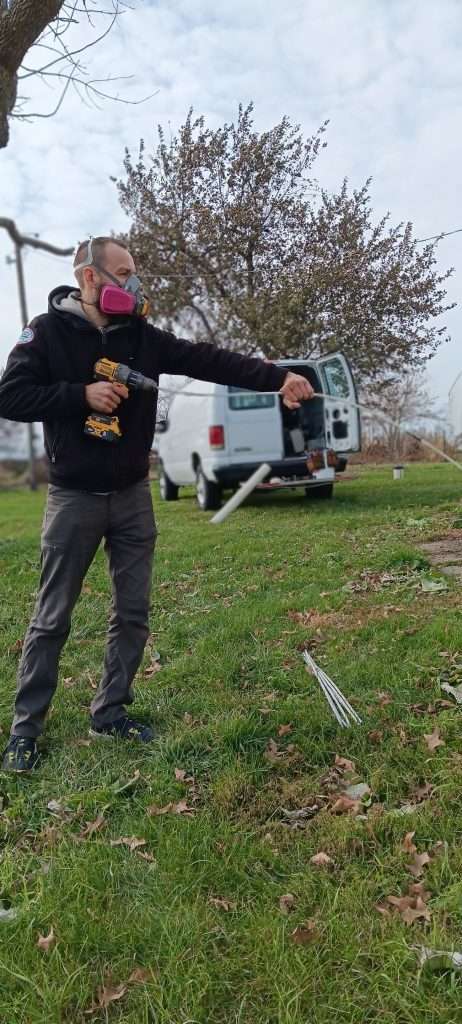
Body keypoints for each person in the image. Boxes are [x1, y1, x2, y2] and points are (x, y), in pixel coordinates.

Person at [0, 236, 314, 772]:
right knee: (52, 618)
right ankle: (26, 730)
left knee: (133, 613)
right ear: (90, 277)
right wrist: (80, 395)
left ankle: (111, 711)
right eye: (123, 273)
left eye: (135, 273)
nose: (134, 284)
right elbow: (10, 395)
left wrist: (278, 377)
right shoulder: (47, 333)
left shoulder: (141, 338)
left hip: (131, 498)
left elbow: (209, 359)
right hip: (73, 498)